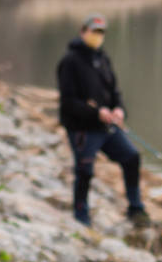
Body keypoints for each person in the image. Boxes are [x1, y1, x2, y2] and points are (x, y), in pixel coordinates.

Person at [56, 13, 149, 227]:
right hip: (82, 129)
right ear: (83, 31)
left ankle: (136, 208)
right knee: (85, 170)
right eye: (93, 31)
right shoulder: (69, 61)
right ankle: (81, 216)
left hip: (107, 127)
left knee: (131, 157)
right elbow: (68, 102)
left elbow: (115, 91)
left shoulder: (102, 58)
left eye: (101, 32)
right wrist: (95, 113)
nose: (97, 36)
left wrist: (119, 110)